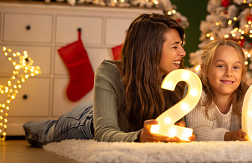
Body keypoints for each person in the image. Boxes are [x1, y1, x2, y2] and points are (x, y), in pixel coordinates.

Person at [23, 13, 194, 146]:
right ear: (150, 49)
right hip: (86, 122)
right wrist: (140, 137)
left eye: (181, 45)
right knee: (45, 132)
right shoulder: (110, 72)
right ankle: (31, 126)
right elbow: (104, 133)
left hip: (112, 117)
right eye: (175, 46)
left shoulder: (181, 80)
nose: (183, 53)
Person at [185, 39, 252, 141]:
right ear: (205, 70)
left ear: (242, 72)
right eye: (221, 66)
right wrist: (230, 136)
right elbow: (197, 132)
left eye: (235, 67)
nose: (229, 73)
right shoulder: (196, 93)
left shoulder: (248, 96)